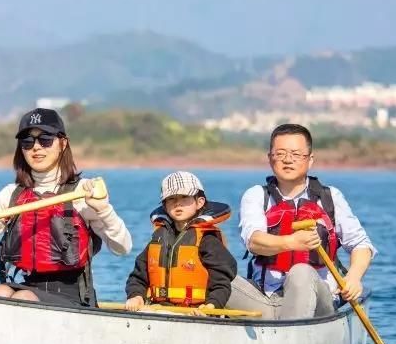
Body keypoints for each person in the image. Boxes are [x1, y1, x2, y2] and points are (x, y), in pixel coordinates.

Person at [0, 107, 133, 307]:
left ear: (63, 143)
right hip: (29, 287)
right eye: (27, 142)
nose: (36, 148)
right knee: (0, 292)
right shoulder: (11, 195)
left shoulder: (83, 191)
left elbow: (122, 247)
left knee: (22, 298)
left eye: (45, 139)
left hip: (75, 298)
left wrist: (103, 209)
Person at [225, 123, 377, 320]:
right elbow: (254, 241)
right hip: (266, 300)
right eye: (280, 154)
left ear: (310, 160)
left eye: (296, 154)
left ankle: (289, 339)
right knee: (214, 274)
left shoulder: (330, 197)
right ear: (270, 158)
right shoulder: (255, 196)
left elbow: (361, 245)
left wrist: (354, 278)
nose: (287, 160)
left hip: (319, 302)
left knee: (301, 273)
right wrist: (292, 242)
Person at [124, 171, 238, 314]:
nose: (177, 203)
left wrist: (211, 306)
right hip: (159, 309)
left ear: (200, 202)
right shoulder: (158, 239)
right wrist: (135, 296)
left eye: (184, 197)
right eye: (171, 199)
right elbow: (137, 277)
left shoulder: (208, 240)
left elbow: (222, 283)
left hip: (197, 312)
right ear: (165, 206)